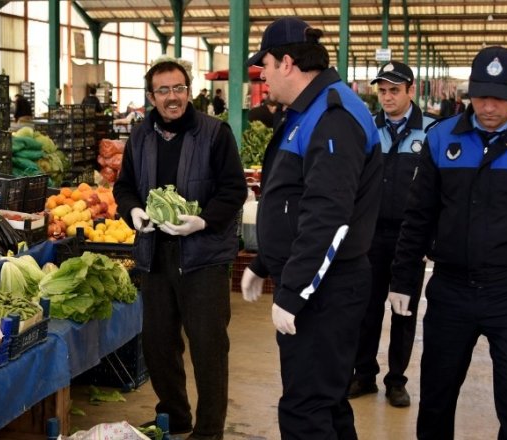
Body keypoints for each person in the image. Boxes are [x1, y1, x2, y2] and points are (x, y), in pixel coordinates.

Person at [389, 46, 507, 440]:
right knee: (437, 397)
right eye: (480, 96)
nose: (488, 106)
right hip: (450, 290)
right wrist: (403, 280)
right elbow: (419, 216)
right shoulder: (442, 139)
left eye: (499, 97)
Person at [240, 17, 382, 439]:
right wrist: (266, 261)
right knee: (326, 401)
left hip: (326, 291)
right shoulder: (310, 110)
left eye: (263, 65)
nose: (261, 76)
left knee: (305, 410)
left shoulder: (333, 115)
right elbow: (294, 202)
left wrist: (294, 291)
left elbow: (328, 216)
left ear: (286, 62)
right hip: (318, 285)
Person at [112, 58, 247, 440]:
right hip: (155, 254)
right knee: (157, 343)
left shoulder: (215, 133)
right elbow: (124, 187)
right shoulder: (140, 135)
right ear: (151, 97)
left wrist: (203, 220)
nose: (172, 97)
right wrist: (133, 211)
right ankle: (174, 415)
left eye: (179, 88)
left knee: (208, 346)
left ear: (189, 91)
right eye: (164, 90)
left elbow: (235, 189)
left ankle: (208, 431)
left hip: (203, 257)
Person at [348, 60, 434, 409]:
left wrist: (430, 239)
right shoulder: (367, 129)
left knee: (404, 311)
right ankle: (363, 373)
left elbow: (438, 192)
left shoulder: (431, 132)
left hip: (408, 240)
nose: (387, 97)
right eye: (382, 91)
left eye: (394, 90)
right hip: (369, 236)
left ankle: (396, 380)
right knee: (366, 310)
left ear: (411, 91)